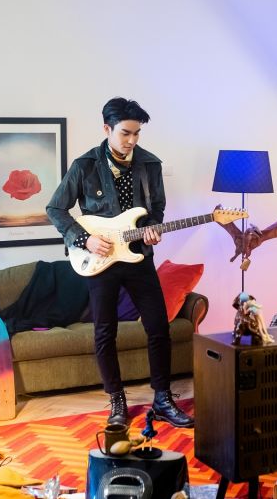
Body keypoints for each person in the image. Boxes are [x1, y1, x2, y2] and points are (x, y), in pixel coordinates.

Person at [46, 97, 194, 429]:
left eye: (136, 133)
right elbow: (55, 208)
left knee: (159, 327)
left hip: (139, 256)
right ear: (107, 129)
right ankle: (116, 401)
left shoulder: (150, 164)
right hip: (101, 259)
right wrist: (84, 239)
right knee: (105, 332)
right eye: (125, 133)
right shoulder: (84, 165)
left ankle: (163, 399)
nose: (131, 140)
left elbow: (156, 208)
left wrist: (152, 229)